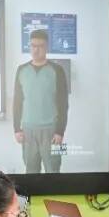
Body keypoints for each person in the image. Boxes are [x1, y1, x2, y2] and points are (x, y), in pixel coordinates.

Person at [13, 29, 68, 174]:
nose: (36, 50)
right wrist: (16, 129)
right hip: (28, 130)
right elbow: (17, 102)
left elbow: (63, 104)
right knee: (30, 171)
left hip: (52, 130)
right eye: (33, 46)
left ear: (47, 47)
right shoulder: (21, 70)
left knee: (54, 170)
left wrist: (60, 131)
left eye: (40, 46)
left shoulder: (57, 70)